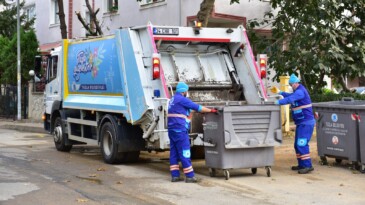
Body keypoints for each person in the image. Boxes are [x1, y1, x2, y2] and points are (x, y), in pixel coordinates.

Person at [168, 82, 217, 183]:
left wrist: (193, 111)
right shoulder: (182, 99)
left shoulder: (172, 99)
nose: (187, 92)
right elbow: (197, 107)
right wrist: (211, 111)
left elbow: (183, 110)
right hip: (180, 130)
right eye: (187, 91)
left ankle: (175, 176)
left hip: (172, 129)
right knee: (185, 152)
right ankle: (190, 176)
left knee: (174, 152)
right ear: (184, 91)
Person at [271, 74, 315, 174]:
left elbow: (290, 99)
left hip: (306, 123)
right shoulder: (297, 91)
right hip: (301, 123)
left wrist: (276, 102)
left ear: (296, 83)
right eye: (290, 85)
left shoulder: (300, 91)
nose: (291, 86)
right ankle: (301, 164)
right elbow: (290, 96)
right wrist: (279, 92)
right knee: (297, 145)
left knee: (301, 144)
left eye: (291, 84)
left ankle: (308, 166)